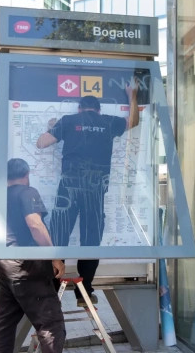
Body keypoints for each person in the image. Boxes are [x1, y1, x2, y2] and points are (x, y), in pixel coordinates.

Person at [36, 78, 139, 306]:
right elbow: (133, 121)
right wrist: (132, 95)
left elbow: (41, 143)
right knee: (91, 238)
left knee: (59, 235)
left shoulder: (69, 120)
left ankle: (53, 290)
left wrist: (51, 127)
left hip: (69, 188)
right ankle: (85, 293)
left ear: (80, 108)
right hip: (95, 188)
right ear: (98, 109)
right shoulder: (108, 122)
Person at [0, 158, 66, 353]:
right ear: (26, 175)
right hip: (27, 265)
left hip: (5, 265)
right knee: (50, 324)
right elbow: (35, 225)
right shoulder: (27, 192)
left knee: (4, 324)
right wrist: (54, 256)